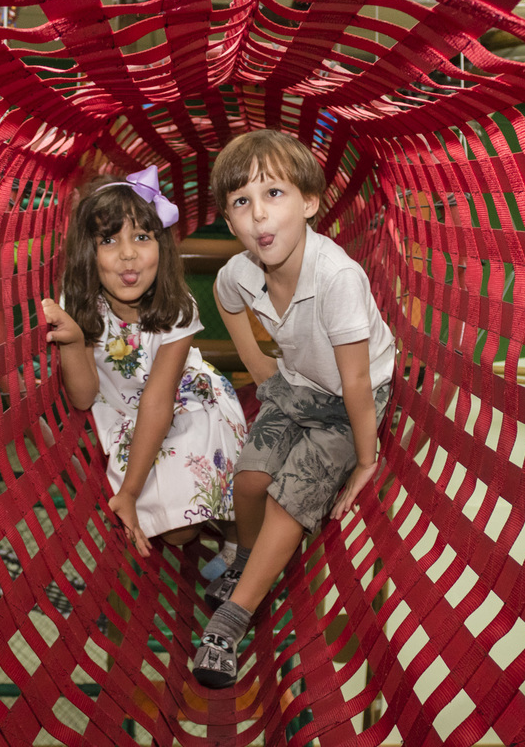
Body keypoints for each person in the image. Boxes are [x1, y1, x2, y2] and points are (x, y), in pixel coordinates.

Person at [192, 131, 395, 688]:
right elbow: (225, 298)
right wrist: (258, 365)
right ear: (229, 223)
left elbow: (354, 379)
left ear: (309, 203)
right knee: (251, 478)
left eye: (274, 193)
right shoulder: (241, 270)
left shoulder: (337, 278)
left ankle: (229, 623)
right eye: (241, 201)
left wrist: (366, 456)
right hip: (297, 379)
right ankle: (247, 559)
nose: (259, 213)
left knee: (291, 496)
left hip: (354, 397)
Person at [41, 166, 247, 561]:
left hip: (190, 405)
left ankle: (239, 539)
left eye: (141, 236)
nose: (128, 254)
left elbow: (158, 400)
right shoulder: (81, 301)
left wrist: (130, 492)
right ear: (90, 251)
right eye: (109, 240)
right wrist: (73, 340)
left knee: (189, 517)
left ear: (161, 245)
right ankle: (206, 520)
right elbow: (84, 397)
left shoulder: (177, 308)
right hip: (126, 417)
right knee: (177, 535)